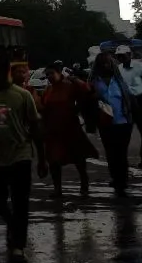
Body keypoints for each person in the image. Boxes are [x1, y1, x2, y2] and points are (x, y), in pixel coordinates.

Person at [0, 54, 46, 263]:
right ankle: (13, 225)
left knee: (21, 202)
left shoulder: (22, 96)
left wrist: (42, 159)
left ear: (2, 72)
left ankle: (18, 245)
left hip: (21, 156)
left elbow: (35, 127)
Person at [40, 60, 98, 199]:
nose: (49, 76)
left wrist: (75, 80)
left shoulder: (70, 85)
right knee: (53, 160)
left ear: (59, 73)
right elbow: (43, 107)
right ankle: (57, 189)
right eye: (47, 74)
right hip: (53, 130)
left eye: (51, 73)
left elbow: (88, 90)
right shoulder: (48, 90)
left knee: (78, 158)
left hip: (70, 127)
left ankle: (84, 184)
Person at [90, 51, 134, 198]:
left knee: (121, 152)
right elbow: (87, 101)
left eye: (108, 63)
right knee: (110, 152)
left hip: (123, 122)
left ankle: (123, 179)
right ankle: (115, 178)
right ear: (98, 65)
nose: (106, 65)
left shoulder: (119, 81)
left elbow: (128, 99)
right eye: (103, 63)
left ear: (112, 64)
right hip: (105, 123)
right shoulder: (94, 81)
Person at [115, 47, 142, 170]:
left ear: (129, 55)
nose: (121, 58)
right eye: (118, 56)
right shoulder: (119, 69)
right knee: (124, 133)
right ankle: (122, 162)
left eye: (123, 56)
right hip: (126, 103)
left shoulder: (140, 66)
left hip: (141, 101)